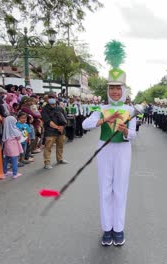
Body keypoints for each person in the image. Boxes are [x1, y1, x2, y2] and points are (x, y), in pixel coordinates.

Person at [82, 41, 137, 246]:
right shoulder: (101, 107)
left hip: (123, 150)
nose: (115, 92)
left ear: (123, 90)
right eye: (112, 88)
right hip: (104, 149)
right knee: (105, 189)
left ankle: (118, 229)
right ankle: (107, 229)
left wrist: (126, 131)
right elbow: (86, 124)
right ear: (108, 90)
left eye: (118, 88)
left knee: (120, 189)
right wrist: (105, 119)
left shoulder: (130, 110)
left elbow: (134, 134)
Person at [41, 93, 69, 169]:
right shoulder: (44, 109)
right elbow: (47, 121)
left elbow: (65, 119)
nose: (51, 99)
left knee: (60, 146)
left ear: (56, 98)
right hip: (50, 131)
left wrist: (62, 127)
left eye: (53, 97)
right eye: (50, 97)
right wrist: (57, 127)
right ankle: (47, 162)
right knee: (48, 147)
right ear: (47, 99)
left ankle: (60, 159)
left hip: (61, 131)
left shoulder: (60, 108)